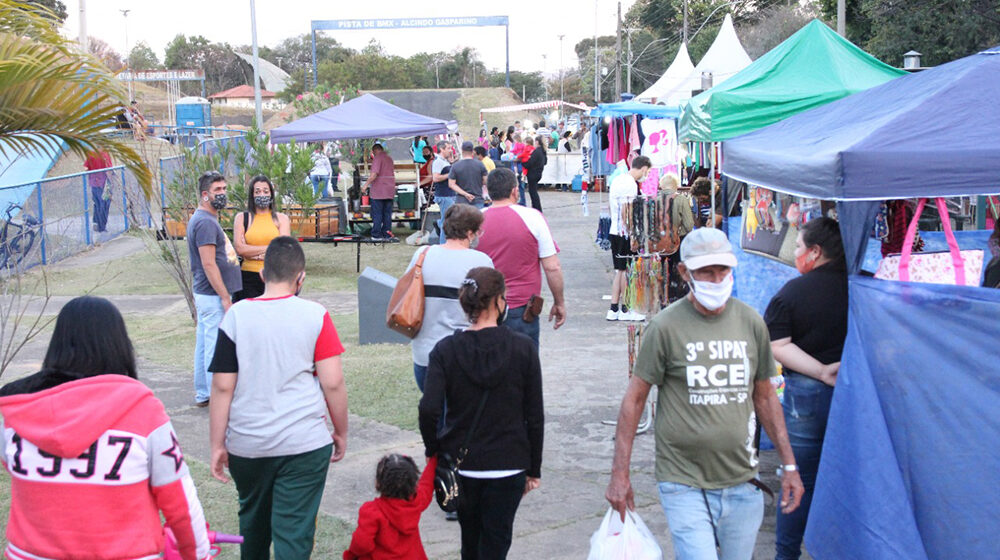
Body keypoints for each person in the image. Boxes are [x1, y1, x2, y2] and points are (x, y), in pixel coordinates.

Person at [605, 227, 804, 560]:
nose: (716, 279)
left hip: (742, 481)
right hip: (683, 482)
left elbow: (766, 397)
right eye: (705, 272)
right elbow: (635, 399)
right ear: (684, 273)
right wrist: (619, 474)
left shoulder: (751, 323)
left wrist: (789, 465)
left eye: (722, 270)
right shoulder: (666, 327)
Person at [0, 296, 211, 560]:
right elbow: (180, 501)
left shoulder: (17, 412)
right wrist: (198, 555)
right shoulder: (143, 411)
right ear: (118, 344)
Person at [209, 236, 349, 560]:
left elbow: (221, 387)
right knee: (294, 536)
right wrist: (340, 431)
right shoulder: (316, 315)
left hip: (248, 445)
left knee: (253, 526)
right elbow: (333, 383)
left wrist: (218, 444)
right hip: (304, 445)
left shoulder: (236, 317)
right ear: (301, 278)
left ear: (262, 275)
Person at [419, 267, 544, 560]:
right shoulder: (523, 349)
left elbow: (429, 408)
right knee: (496, 544)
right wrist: (533, 467)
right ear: (500, 301)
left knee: (470, 542)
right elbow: (534, 414)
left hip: (463, 465)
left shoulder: (445, 350)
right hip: (509, 464)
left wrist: (433, 448)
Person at [763, 217, 847, 560]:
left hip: (805, 398)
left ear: (814, 252)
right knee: (849, 477)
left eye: (798, 247)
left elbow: (776, 344)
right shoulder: (865, 287)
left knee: (797, 479)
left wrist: (820, 371)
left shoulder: (792, 293)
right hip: (855, 396)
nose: (795, 253)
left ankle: (786, 555)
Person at [409, 204, 494, 392]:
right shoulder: (480, 261)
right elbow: (492, 311)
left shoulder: (422, 255)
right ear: (470, 232)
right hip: (465, 355)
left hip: (425, 352)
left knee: (435, 415)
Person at [478, 168, 566, 346]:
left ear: (488, 191)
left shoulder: (476, 219)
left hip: (484, 308)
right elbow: (552, 267)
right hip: (521, 307)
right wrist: (559, 302)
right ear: (514, 191)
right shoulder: (532, 217)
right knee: (524, 368)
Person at [187, 170, 242, 407]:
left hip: (207, 295)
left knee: (203, 344)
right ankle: (216, 397)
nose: (222, 194)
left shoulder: (205, 219)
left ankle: (203, 393)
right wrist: (224, 297)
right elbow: (209, 264)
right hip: (211, 295)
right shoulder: (205, 223)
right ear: (204, 195)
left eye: (224, 189)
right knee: (213, 346)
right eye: (217, 190)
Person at [343, 454, 438, 560]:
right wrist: (436, 457)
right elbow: (427, 482)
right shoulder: (416, 502)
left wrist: (350, 556)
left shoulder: (372, 512)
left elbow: (361, 544)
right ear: (413, 483)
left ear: (378, 483)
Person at [232, 175, 291, 302]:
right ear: (252, 195)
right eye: (257, 191)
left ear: (271, 194)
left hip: (275, 276)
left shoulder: (281, 219)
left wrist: (252, 252)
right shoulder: (242, 218)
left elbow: (284, 249)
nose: (262, 194)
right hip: (248, 279)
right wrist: (270, 248)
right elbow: (240, 249)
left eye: (265, 191)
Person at [607, 156, 651, 322]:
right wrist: (633, 234)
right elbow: (627, 211)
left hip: (615, 230)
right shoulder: (630, 184)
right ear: (643, 168)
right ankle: (625, 308)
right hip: (624, 233)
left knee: (620, 270)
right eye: (646, 171)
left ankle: (614, 308)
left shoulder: (618, 179)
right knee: (625, 270)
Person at [362, 143, 398, 241]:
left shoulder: (377, 158)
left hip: (379, 191)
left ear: (375, 150)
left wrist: (365, 185)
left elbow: (374, 174)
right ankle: (387, 233)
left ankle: (376, 235)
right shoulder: (389, 158)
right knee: (387, 214)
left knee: (377, 214)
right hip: (389, 190)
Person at [449, 141, 489, 209]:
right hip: (477, 199)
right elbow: (486, 181)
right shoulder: (480, 164)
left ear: (462, 150)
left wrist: (465, 194)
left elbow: (451, 184)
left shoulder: (455, 166)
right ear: (473, 151)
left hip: (461, 201)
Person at [431, 141, 457, 245]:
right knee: (446, 222)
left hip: (449, 195)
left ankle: (438, 223)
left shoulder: (444, 161)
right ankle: (443, 245)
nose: (450, 151)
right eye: (448, 148)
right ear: (441, 149)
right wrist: (450, 174)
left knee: (448, 220)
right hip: (444, 196)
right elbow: (435, 178)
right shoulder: (438, 162)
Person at [83, 150, 114, 232]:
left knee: (97, 203)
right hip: (103, 184)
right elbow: (109, 170)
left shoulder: (91, 153)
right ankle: (102, 226)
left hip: (94, 183)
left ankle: (96, 222)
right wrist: (111, 183)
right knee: (104, 204)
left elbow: (86, 168)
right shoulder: (105, 154)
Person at [523, 135, 547, 212]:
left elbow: (530, 163)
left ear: (537, 142)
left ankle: (537, 208)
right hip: (539, 173)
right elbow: (545, 162)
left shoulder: (536, 151)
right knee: (533, 191)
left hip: (532, 173)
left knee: (533, 192)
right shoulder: (543, 151)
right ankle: (535, 207)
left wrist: (522, 162)